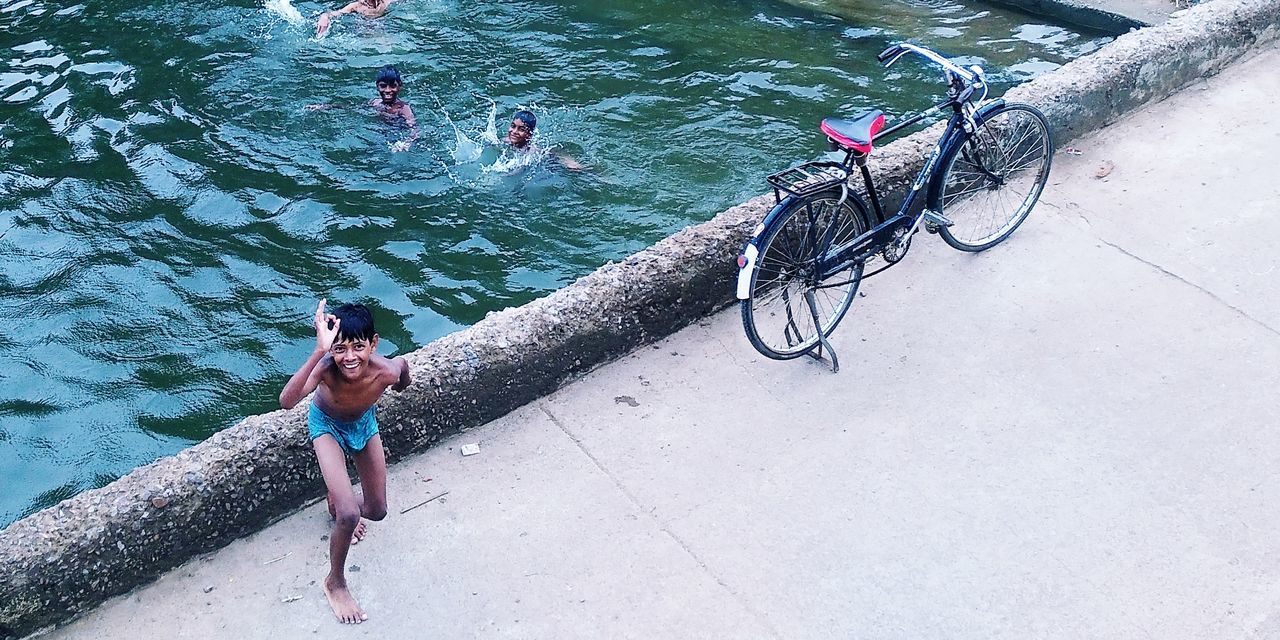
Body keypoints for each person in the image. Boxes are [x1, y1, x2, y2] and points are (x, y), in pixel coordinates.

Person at [279, 300, 411, 625]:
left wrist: (403, 385)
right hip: (326, 425)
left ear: (373, 344)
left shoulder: (387, 371)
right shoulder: (325, 366)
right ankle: (335, 582)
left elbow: (403, 371)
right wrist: (318, 351)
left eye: (358, 347)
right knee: (349, 513)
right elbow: (286, 401)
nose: (349, 357)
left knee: (377, 509)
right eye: (339, 349)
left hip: (364, 424)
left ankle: (337, 500)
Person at [306, 66, 418, 152]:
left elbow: (414, 129)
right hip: (377, 132)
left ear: (400, 86)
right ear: (377, 86)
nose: (388, 90)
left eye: (392, 86)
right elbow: (352, 108)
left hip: (395, 134)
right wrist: (324, 107)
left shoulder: (404, 108)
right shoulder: (375, 102)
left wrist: (407, 143)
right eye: (383, 86)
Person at [503, 109, 584, 171]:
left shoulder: (531, 152)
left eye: (521, 129)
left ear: (529, 134)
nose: (514, 132)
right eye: (513, 126)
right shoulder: (505, 141)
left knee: (575, 168)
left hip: (551, 161)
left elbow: (519, 171)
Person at [315, 0, 393, 37]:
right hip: (362, 30)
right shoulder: (356, 6)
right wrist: (325, 16)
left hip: (380, 27)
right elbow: (336, 13)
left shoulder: (384, 3)